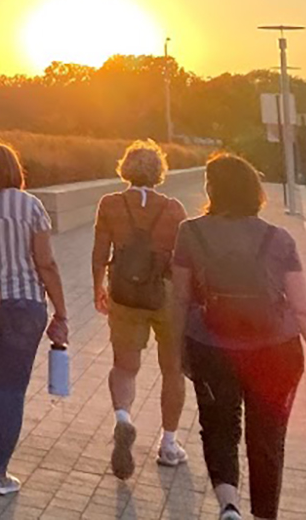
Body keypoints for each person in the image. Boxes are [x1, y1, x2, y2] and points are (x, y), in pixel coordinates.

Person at [172, 154, 306, 520]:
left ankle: (229, 506)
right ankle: (264, 515)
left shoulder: (191, 232)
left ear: (212, 188)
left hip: (212, 347)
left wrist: (176, 352)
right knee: (267, 439)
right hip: (276, 352)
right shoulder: (278, 238)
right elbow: (304, 309)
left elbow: (180, 299)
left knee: (218, 429)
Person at [0, 143, 69, 495]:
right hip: (23, 306)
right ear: (14, 170)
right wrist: (62, 310)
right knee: (10, 390)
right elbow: (45, 263)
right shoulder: (30, 205)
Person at [91, 139, 190, 478]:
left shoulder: (111, 204)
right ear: (160, 171)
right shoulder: (174, 209)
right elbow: (183, 260)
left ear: (126, 168)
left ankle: (123, 419)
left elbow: (99, 252)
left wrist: (97, 288)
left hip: (124, 290)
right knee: (172, 369)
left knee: (125, 366)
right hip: (165, 293)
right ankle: (169, 443)